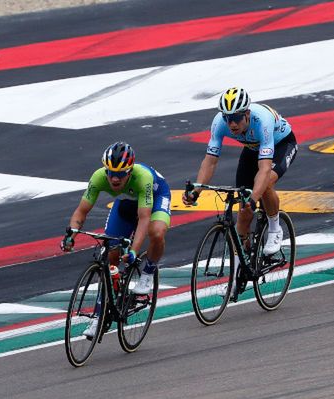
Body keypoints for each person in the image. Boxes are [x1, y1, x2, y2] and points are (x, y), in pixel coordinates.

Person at [183, 86, 298, 294]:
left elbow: (265, 169)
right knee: (243, 213)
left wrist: (254, 198)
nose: (232, 124)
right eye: (228, 118)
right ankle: (238, 272)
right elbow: (210, 162)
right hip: (252, 149)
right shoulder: (219, 123)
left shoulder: (262, 121)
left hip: (281, 145)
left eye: (236, 118)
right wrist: (196, 191)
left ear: (247, 114)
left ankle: (275, 228)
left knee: (264, 185)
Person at [62, 142, 170, 337]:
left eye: (120, 174)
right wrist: (71, 235)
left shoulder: (143, 177)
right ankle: (101, 314)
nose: (114, 178)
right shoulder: (98, 177)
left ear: (130, 171)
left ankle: (148, 272)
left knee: (156, 232)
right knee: (111, 254)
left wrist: (134, 251)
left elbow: (144, 219)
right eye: (110, 172)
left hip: (155, 198)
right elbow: (81, 211)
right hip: (126, 203)